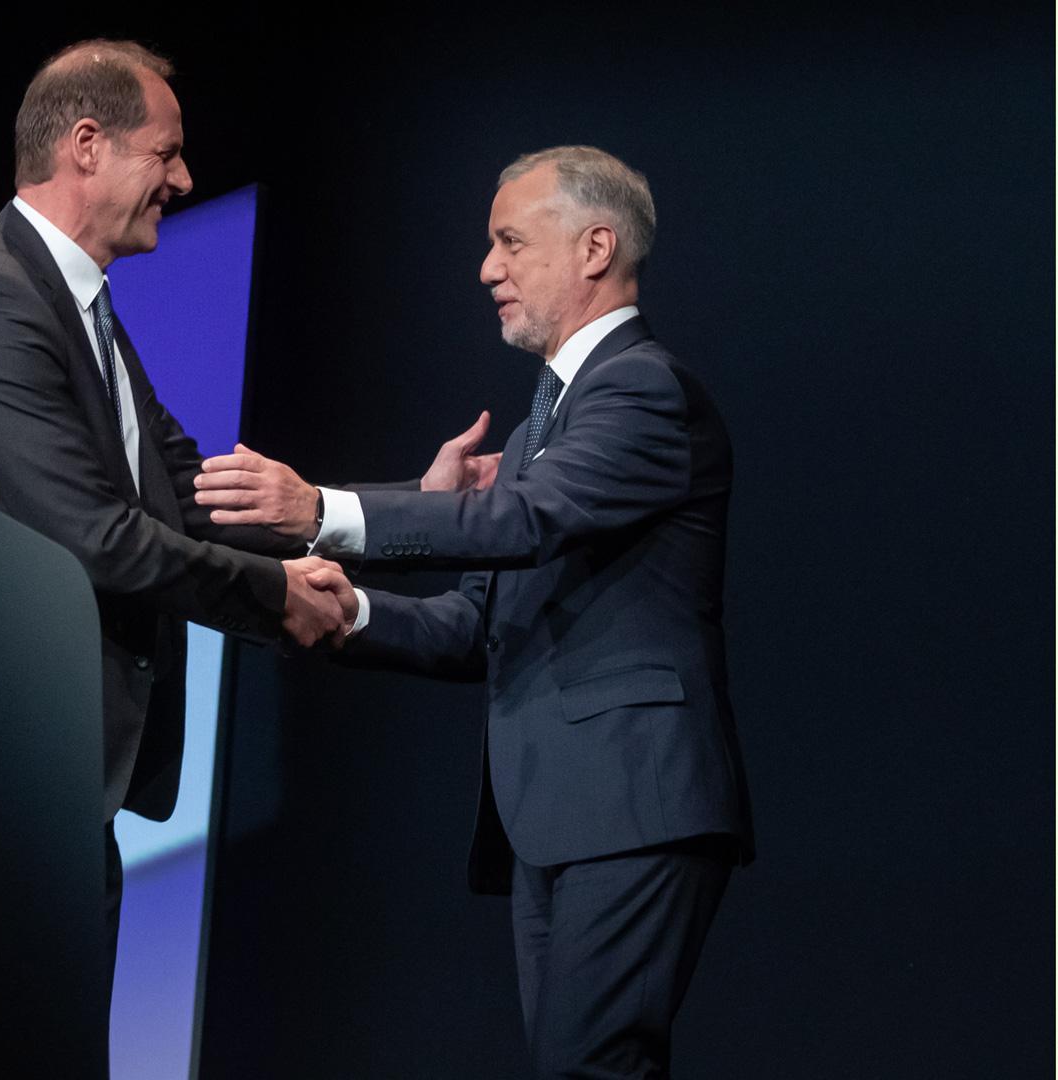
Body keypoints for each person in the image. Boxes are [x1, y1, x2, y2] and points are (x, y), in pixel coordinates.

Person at [193, 145, 753, 1078]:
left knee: (588, 1065)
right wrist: (349, 613)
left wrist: (325, 510)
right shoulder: (541, 428)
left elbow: (521, 521)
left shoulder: (642, 388)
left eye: (510, 242)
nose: (487, 269)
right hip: (556, 815)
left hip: (634, 802)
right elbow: (473, 628)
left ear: (595, 248)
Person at [0, 38, 350, 1011]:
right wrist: (274, 597)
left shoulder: (70, 301)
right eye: (166, 153)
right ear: (87, 145)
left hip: (51, 770)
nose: (183, 180)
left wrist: (348, 519)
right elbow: (95, 535)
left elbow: (182, 489)